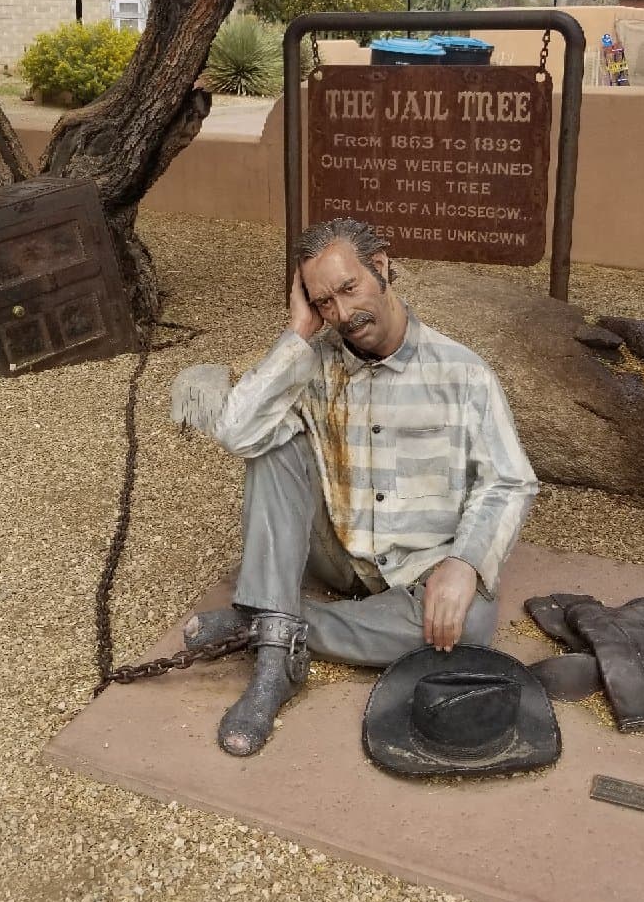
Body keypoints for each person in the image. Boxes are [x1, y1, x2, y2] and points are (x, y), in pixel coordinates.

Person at [179, 218, 538, 757]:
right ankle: (276, 669)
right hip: (338, 550)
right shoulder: (313, 363)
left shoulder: (463, 373)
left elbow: (509, 481)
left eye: (349, 289)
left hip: (419, 566)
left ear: (383, 267)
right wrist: (299, 331)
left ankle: (268, 626)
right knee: (271, 445)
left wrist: (465, 564)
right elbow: (237, 431)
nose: (343, 315)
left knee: (474, 622)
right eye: (324, 302)